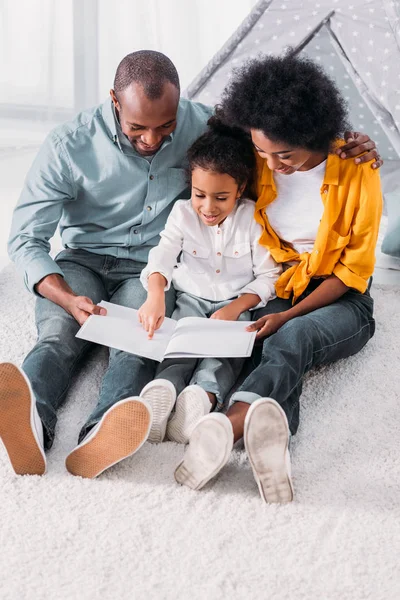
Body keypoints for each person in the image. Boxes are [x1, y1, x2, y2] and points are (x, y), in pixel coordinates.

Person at [0, 49, 381, 480]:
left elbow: (281, 134)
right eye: (137, 127)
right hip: (80, 260)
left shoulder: (211, 126)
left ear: (180, 106)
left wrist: (350, 139)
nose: (152, 139)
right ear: (113, 100)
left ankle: (103, 431)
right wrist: (66, 297)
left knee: (136, 349)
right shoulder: (69, 145)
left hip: (149, 269)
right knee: (57, 336)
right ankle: (30, 414)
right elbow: (25, 239)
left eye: (166, 126)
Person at [174, 53, 383, 504]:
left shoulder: (356, 170)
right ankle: (273, 449)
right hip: (280, 282)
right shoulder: (256, 156)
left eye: (284, 154)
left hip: (341, 296)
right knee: (252, 343)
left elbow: (351, 273)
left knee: (292, 338)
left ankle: (229, 427)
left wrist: (288, 314)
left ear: (314, 135)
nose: (271, 164)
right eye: (263, 152)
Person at [137, 116, 281, 445]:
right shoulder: (182, 213)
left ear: (239, 190)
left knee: (223, 356)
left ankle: (202, 397)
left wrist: (238, 307)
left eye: (220, 197)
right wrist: (155, 292)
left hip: (236, 302)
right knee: (178, 348)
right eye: (200, 195)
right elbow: (162, 254)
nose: (208, 207)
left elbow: (269, 275)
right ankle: (162, 393)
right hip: (191, 298)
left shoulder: (252, 219)